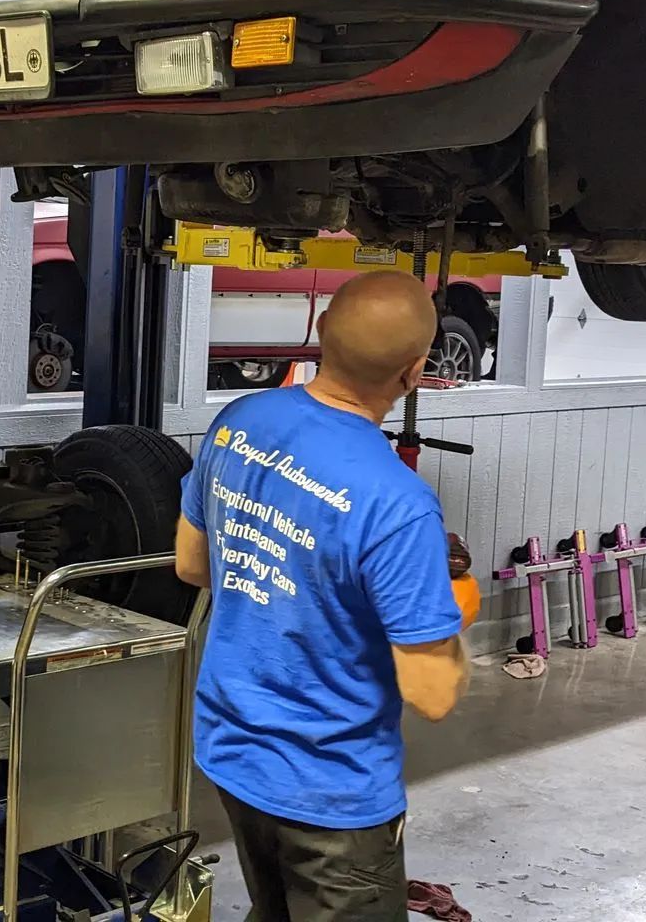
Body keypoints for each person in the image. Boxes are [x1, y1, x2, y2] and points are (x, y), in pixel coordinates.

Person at [175, 269, 470, 922]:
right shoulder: (399, 505)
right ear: (415, 372)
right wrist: (444, 609)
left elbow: (192, 566)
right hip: (331, 794)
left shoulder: (240, 421)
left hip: (232, 751)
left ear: (320, 329)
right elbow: (433, 694)